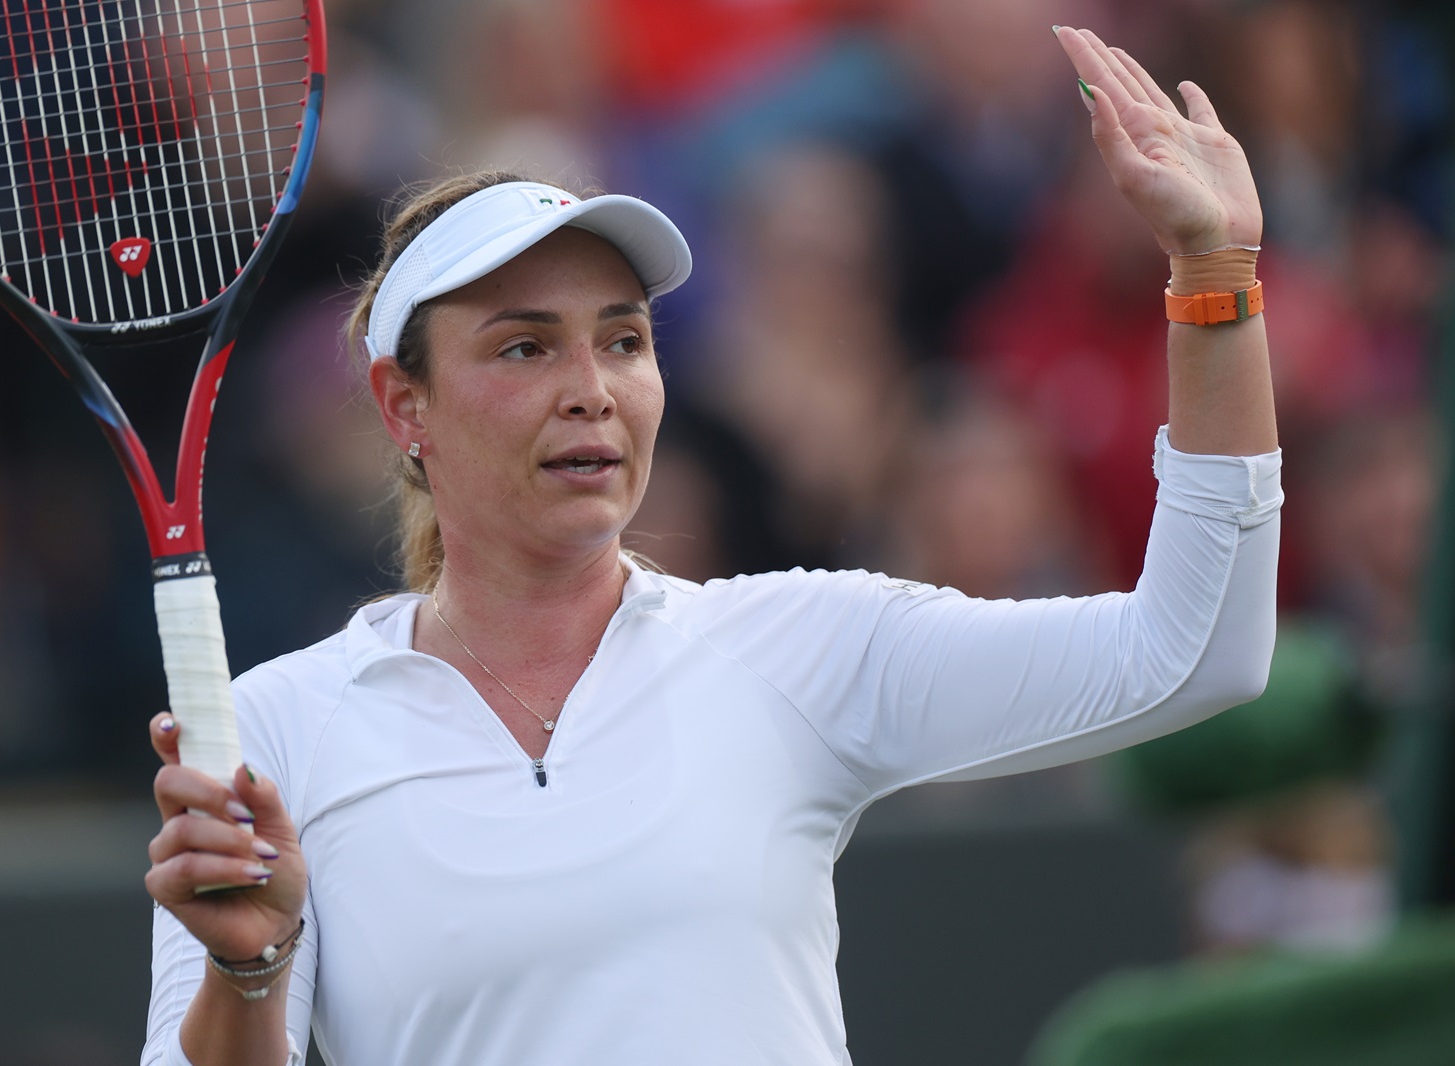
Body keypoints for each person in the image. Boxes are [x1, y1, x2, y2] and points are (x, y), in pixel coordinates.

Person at [142, 27, 1283, 1066]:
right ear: (404, 408)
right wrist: (254, 970)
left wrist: (1214, 278)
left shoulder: (798, 644)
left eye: (623, 340)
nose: (591, 390)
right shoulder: (275, 732)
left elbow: (1195, 652)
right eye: (525, 349)